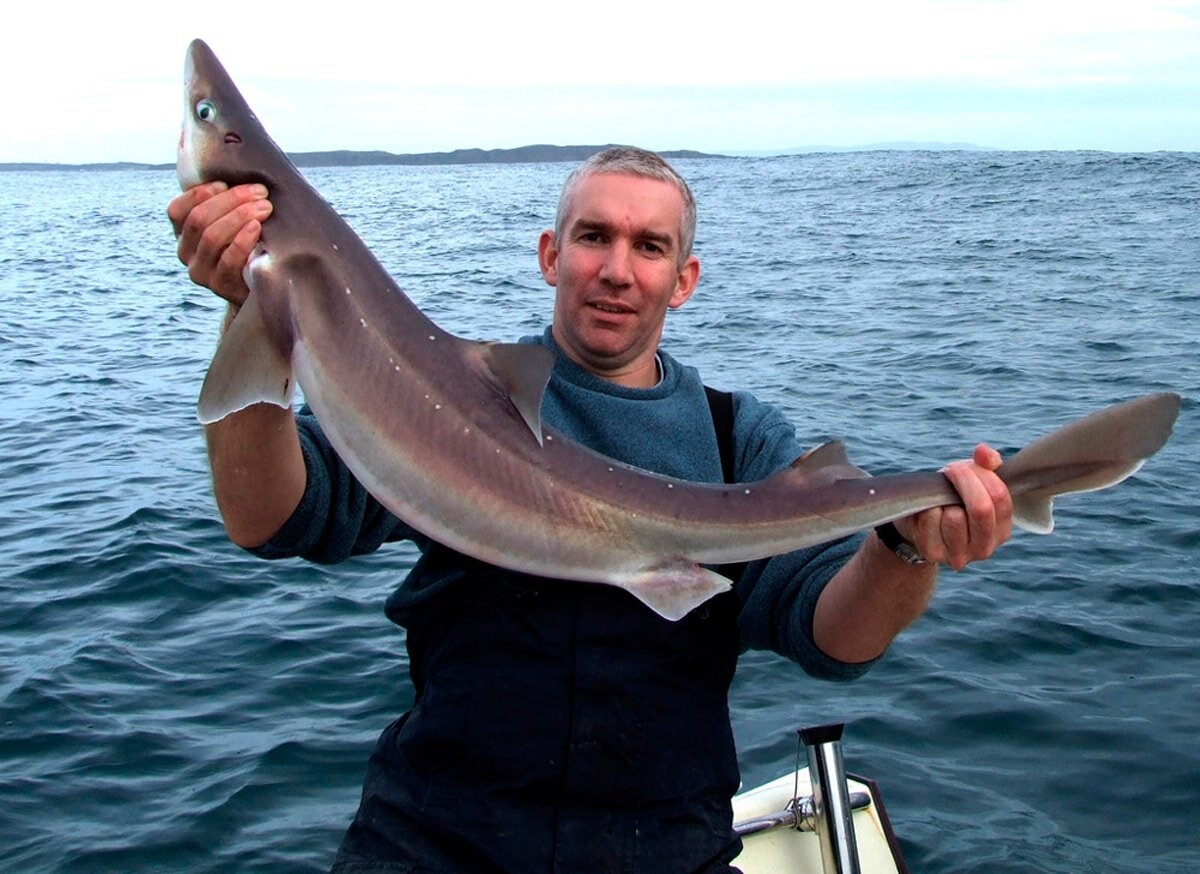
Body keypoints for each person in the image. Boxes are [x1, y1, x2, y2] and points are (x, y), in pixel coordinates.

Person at [169, 147, 1012, 873]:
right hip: (437, 835)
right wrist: (256, 312)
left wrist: (905, 550)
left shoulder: (738, 441)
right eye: (594, 237)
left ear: (682, 280)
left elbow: (832, 638)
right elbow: (274, 519)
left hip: (665, 846)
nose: (617, 269)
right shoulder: (446, 403)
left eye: (649, 247)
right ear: (550, 254)